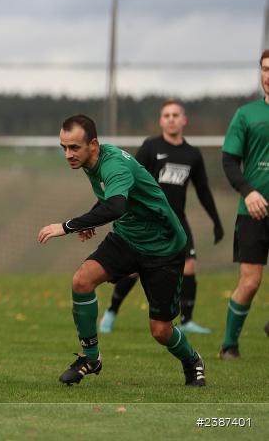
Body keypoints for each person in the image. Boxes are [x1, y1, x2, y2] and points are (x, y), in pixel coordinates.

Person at [37, 114, 205, 387]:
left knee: (161, 330)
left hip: (162, 246)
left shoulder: (114, 164)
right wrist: (92, 219)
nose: (68, 154)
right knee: (82, 281)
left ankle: (192, 360)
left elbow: (116, 206)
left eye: (74, 147)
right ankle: (91, 358)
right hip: (127, 238)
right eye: (63, 147)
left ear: (93, 144)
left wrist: (66, 226)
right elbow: (112, 197)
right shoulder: (91, 161)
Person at [99, 99, 223, 335]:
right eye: (167, 115)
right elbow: (128, 176)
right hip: (149, 220)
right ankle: (112, 311)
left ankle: (187, 320)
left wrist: (216, 221)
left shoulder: (192, 154)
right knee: (135, 269)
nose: (171, 119)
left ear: (184, 120)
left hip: (177, 221)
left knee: (189, 264)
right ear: (161, 121)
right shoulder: (151, 147)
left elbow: (203, 190)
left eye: (176, 115)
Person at [219, 49, 269, 359]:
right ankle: (229, 345)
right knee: (250, 282)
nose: (268, 75)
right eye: (265, 69)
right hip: (253, 212)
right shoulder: (246, 115)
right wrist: (249, 193)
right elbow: (229, 161)